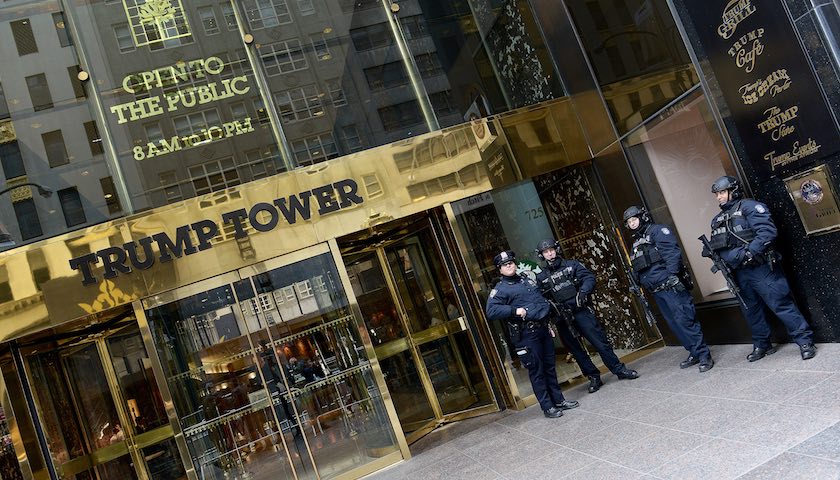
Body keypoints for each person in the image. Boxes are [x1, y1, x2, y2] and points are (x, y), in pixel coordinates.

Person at [704, 176, 817, 361]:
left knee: (780, 304)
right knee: (751, 310)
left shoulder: (749, 207)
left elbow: (767, 232)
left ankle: (805, 341)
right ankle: (762, 344)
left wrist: (749, 253)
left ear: (734, 191)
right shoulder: (717, 220)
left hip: (760, 267)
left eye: (722, 192)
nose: (719, 197)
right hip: (738, 272)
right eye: (717, 194)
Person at [535, 239, 640, 393]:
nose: (549, 253)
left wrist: (583, 293)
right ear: (542, 255)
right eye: (546, 252)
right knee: (576, 350)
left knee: (600, 342)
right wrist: (551, 309)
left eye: (551, 250)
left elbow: (589, 278)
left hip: (580, 311)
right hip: (562, 318)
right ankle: (593, 377)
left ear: (556, 249)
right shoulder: (541, 277)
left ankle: (618, 369)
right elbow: (541, 298)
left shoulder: (572, 265)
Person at [485, 250, 579, 418]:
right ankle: (547, 406)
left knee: (550, 367)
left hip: (542, 328)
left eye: (511, 263)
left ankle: (559, 400)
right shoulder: (500, 289)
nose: (509, 266)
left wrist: (547, 322)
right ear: (500, 269)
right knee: (537, 371)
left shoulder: (525, 280)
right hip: (526, 334)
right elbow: (491, 311)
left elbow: (539, 301)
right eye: (505, 265)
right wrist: (514, 310)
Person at [623, 206, 714, 372]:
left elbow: (672, 253)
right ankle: (693, 352)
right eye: (629, 222)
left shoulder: (658, 231)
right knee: (674, 324)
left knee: (685, 320)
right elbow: (637, 267)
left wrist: (673, 275)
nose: (632, 223)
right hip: (656, 290)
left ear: (642, 217)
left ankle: (704, 355)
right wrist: (636, 284)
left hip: (670, 286)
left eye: (634, 219)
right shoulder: (636, 243)